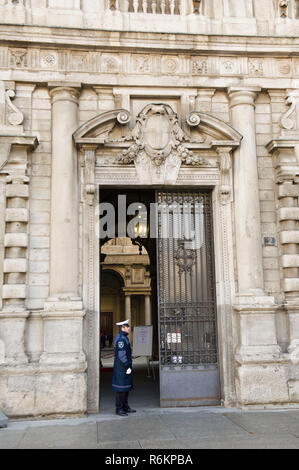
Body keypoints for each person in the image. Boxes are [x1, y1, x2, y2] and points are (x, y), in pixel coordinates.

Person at [112, 320, 136, 416]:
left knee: (126, 388)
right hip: (121, 367)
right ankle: (119, 408)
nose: (129, 328)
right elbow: (121, 355)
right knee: (120, 388)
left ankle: (125, 407)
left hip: (125, 366)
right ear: (122, 328)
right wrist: (126, 365)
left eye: (128, 327)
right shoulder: (121, 339)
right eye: (127, 327)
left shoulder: (124, 338)